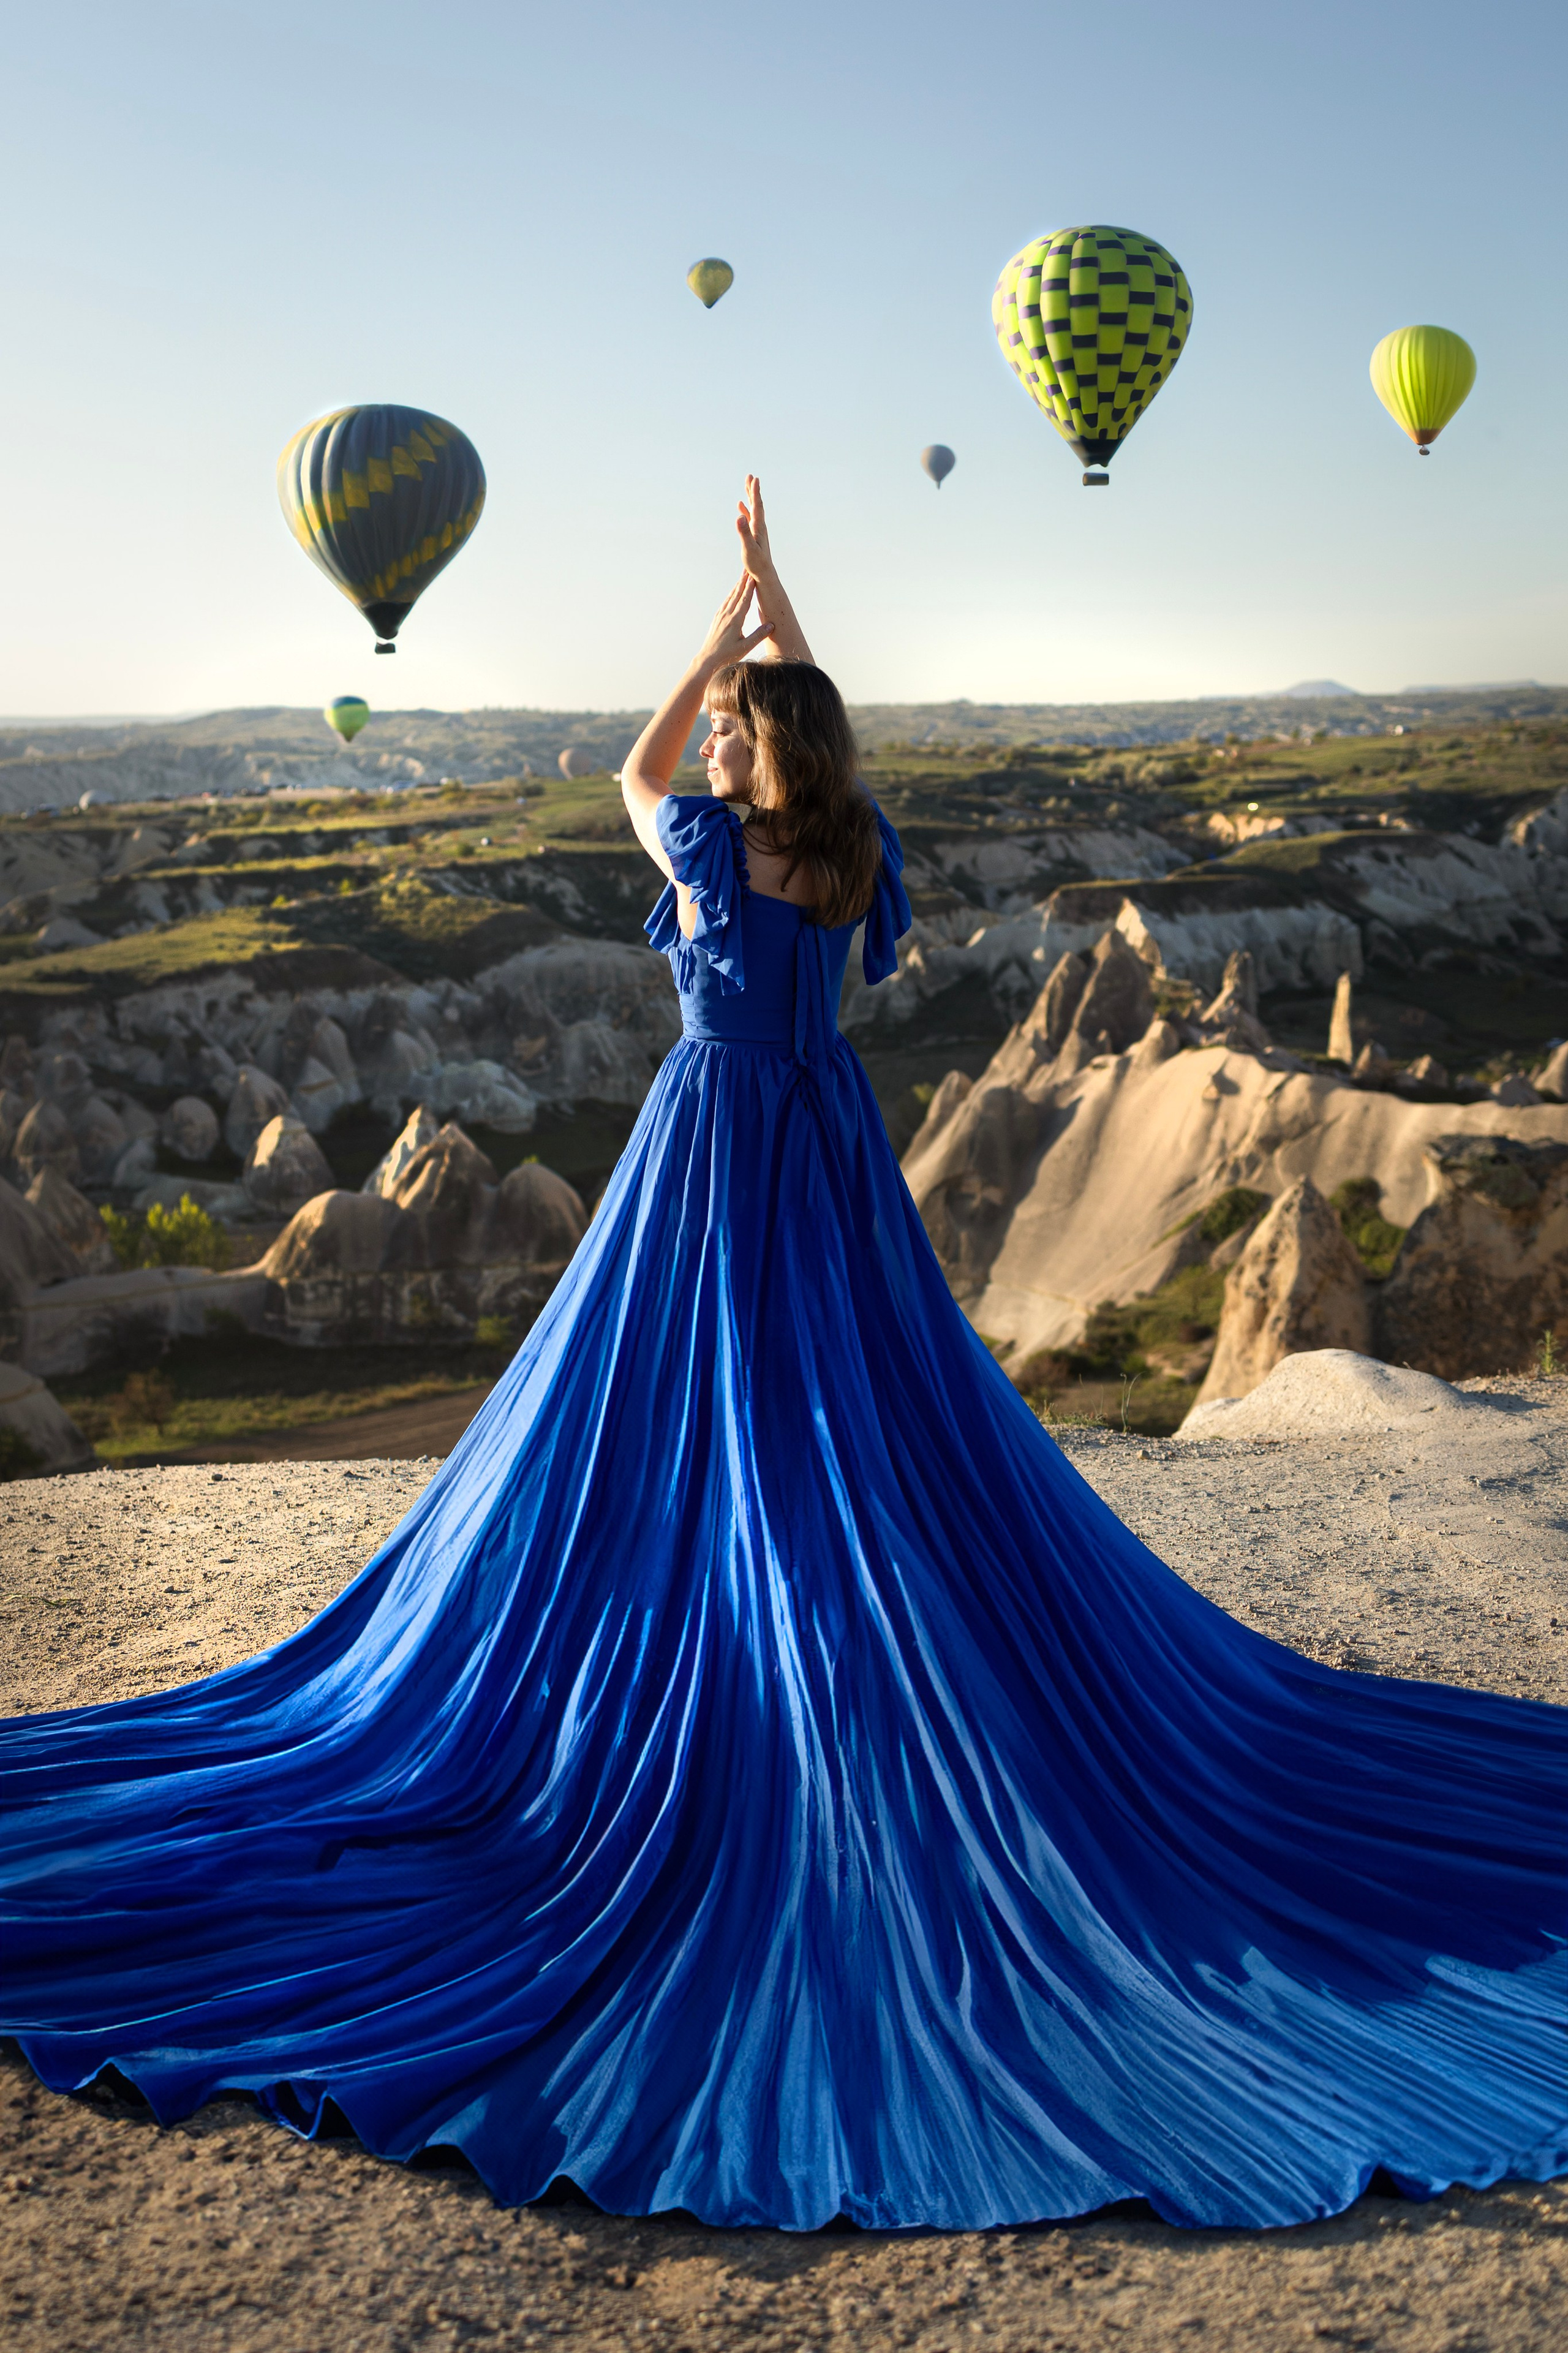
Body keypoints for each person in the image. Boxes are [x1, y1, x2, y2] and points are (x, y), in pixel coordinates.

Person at [1, 482, 1564, 2235]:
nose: (719, 743)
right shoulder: (847, 852)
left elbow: (630, 763)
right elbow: (824, 741)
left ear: (759, 750)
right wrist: (778, 615)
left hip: (713, 1141)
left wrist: (715, 634)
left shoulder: (700, 843)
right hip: (824, 1140)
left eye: (741, 730)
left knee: (694, 1390)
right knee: (849, 1393)